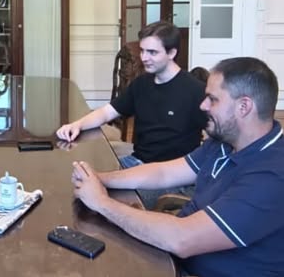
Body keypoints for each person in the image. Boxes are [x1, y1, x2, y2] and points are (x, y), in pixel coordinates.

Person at [71, 57, 284, 277]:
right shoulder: (225, 142)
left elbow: (182, 239)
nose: (203, 105)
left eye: (212, 99)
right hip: (172, 259)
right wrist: (99, 178)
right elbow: (163, 173)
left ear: (244, 107)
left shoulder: (272, 176)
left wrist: (101, 202)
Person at [57, 20, 207, 163]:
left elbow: (215, 136)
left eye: (152, 52)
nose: (144, 58)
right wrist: (77, 125)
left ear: (172, 53)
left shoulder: (196, 90)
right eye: (142, 51)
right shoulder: (141, 84)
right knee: (81, 170)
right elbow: (107, 113)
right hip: (137, 162)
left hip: (172, 173)